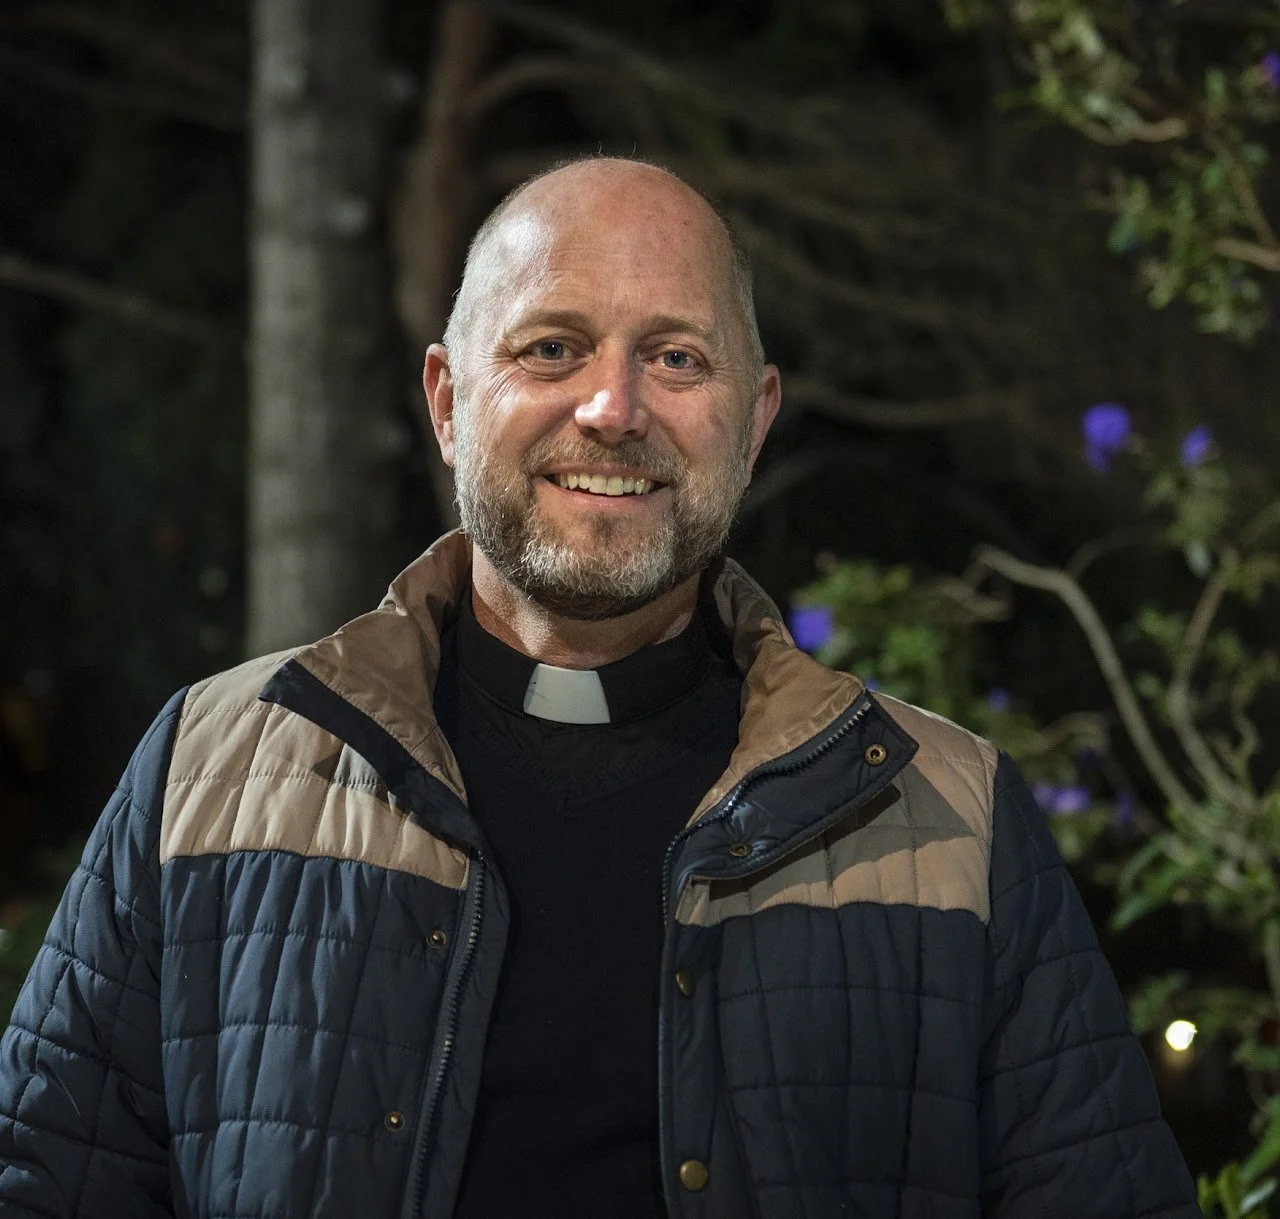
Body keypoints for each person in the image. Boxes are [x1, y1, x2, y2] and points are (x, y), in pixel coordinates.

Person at [0, 157, 1197, 1219]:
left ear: (754, 421)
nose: (612, 409)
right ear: (447, 402)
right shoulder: (210, 771)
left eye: (674, 358)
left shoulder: (946, 817)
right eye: (550, 348)